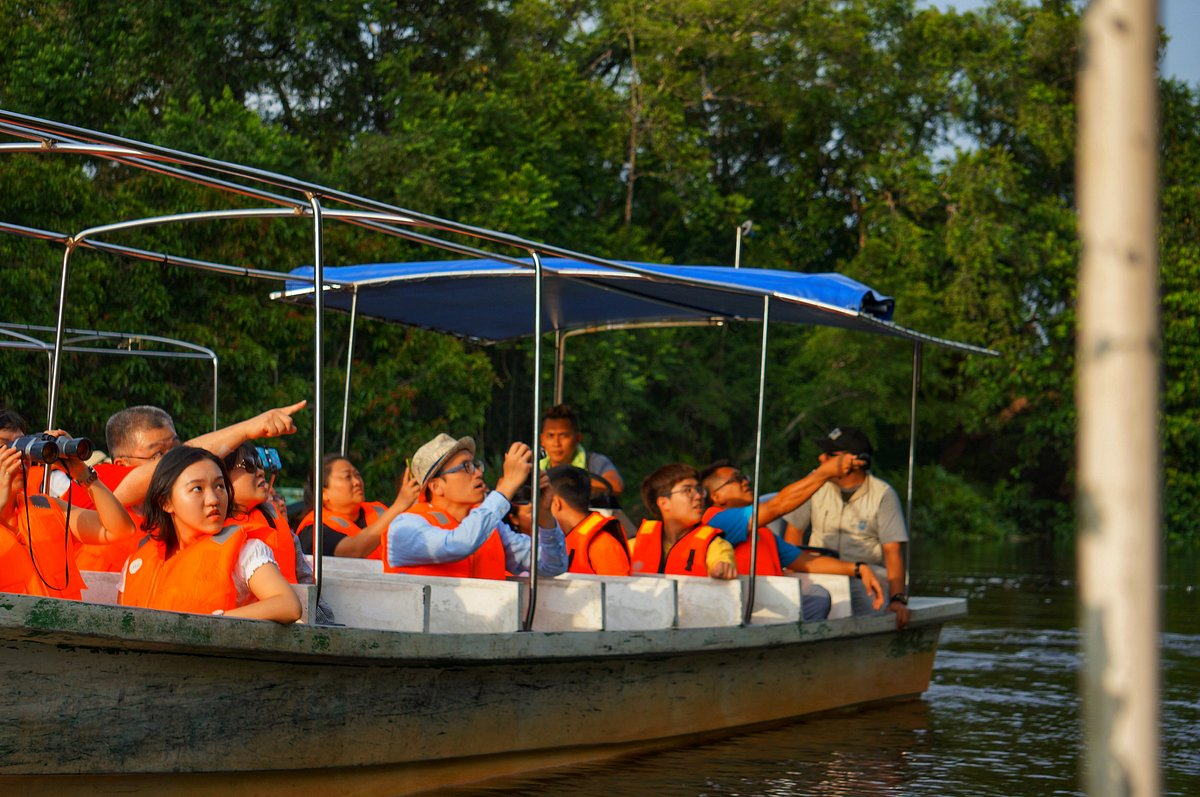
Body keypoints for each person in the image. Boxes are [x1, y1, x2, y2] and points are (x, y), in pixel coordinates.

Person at [66, 400, 307, 571]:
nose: (175, 460)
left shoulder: (191, 508)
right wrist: (246, 429)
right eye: (159, 454)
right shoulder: (98, 480)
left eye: (175, 447)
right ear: (122, 463)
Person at [118, 446, 301, 622]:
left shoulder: (245, 551)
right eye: (197, 488)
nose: (214, 499)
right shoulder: (136, 561)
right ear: (166, 502)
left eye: (220, 486)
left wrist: (215, 622)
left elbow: (288, 604)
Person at [699, 458, 886, 621]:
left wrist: (858, 568)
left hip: (771, 602)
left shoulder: (761, 531)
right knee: (818, 596)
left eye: (744, 477)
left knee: (818, 595)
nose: (745, 482)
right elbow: (777, 506)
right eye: (736, 479)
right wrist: (825, 473)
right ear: (717, 496)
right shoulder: (718, 521)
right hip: (748, 609)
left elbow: (804, 561)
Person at [385, 434, 567, 579]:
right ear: (436, 486)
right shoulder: (404, 527)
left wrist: (544, 515)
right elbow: (459, 544)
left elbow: (553, 567)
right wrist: (508, 484)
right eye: (466, 467)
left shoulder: (492, 529)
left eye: (475, 465)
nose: (478, 473)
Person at [782, 427, 910, 628]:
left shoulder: (883, 494)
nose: (821, 458)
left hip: (866, 576)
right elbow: (794, 531)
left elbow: (892, 553)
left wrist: (897, 600)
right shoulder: (814, 482)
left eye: (829, 454)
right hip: (819, 571)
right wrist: (791, 575)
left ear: (856, 461)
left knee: (872, 605)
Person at [0, 430, 138, 600]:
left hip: (59, 617)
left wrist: (83, 473)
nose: (18, 456)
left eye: (23, 444)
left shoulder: (45, 507)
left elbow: (120, 529)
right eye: (4, 447)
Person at [296, 454, 420, 560]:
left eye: (357, 475)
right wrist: (398, 506)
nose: (357, 482)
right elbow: (353, 551)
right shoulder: (314, 529)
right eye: (347, 477)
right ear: (323, 493)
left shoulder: (379, 510)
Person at [631, 464, 737, 580]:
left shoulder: (715, 546)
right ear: (664, 503)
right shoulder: (633, 547)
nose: (698, 496)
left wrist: (723, 567)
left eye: (699, 490)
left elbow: (723, 559)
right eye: (687, 490)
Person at [546, 465, 631, 576]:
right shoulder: (561, 539)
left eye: (541, 501)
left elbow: (617, 587)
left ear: (556, 503)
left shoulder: (602, 545)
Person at [538, 404, 624, 502]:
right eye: (550, 436)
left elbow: (616, 486)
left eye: (564, 436)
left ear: (578, 438)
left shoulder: (594, 462)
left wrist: (567, 483)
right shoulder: (535, 466)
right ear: (541, 440)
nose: (556, 443)